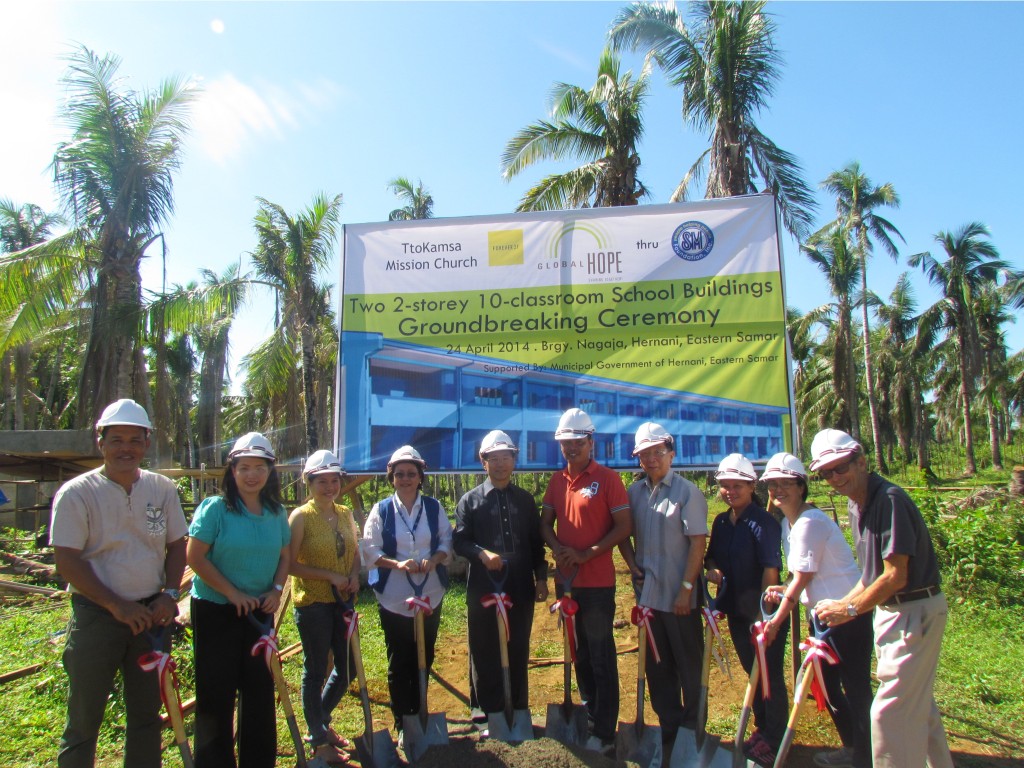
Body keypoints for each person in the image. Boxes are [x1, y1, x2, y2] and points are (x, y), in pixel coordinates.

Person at [50, 399, 187, 768]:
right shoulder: (78, 493)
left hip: (150, 617)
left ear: (146, 443)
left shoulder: (161, 489)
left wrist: (169, 595)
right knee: (84, 717)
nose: (126, 448)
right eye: (117, 439)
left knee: (146, 716)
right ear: (101, 442)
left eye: (134, 440)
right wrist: (115, 605)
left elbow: (177, 545)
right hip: (98, 616)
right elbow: (67, 560)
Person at [810, 430, 953, 768]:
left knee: (888, 714)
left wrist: (849, 608)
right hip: (893, 611)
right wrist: (843, 603)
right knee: (918, 708)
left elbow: (895, 576)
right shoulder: (857, 502)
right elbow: (871, 575)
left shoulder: (889, 499)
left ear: (861, 462)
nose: (834, 478)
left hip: (912, 610)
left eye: (840, 468)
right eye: (825, 473)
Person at [758, 453, 872, 768]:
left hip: (848, 615)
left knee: (856, 688)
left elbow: (804, 578)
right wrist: (784, 588)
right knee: (830, 687)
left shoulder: (810, 522)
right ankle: (853, 749)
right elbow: (799, 577)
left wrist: (776, 621)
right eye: (772, 484)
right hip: (821, 617)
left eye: (786, 484)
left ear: (800, 486)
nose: (778, 490)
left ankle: (868, 756)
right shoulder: (788, 524)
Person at [186, 432, 290, 768]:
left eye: (259, 467)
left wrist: (275, 590)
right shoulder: (216, 509)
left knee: (259, 692)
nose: (252, 475)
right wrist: (232, 593)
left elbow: (285, 556)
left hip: (260, 612)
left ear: (269, 472)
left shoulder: (276, 512)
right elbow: (195, 557)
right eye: (244, 467)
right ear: (233, 471)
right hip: (216, 609)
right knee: (216, 695)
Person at [540, 407, 631, 755]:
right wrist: (559, 547)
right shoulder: (556, 481)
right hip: (567, 583)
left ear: (590, 442)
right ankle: (591, 714)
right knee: (578, 654)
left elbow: (624, 528)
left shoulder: (607, 479)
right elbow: (545, 524)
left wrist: (586, 553)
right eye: (565, 443)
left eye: (577, 442)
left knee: (601, 654)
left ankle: (606, 730)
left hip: (597, 585)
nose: (571, 449)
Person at [453, 430, 549, 727]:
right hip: (484, 585)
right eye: (493, 459)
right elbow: (460, 542)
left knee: (517, 643)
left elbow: (535, 544)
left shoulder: (525, 500)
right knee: (484, 647)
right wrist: (482, 554)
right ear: (484, 463)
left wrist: (542, 578)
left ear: (514, 461)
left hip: (520, 584)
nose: (500, 464)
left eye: (506, 457)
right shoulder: (469, 501)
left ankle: (517, 706)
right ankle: (486, 710)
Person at [619, 422, 708, 744]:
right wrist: (631, 565)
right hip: (649, 599)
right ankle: (669, 728)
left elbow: (698, 543)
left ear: (671, 454)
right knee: (657, 668)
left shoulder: (688, 493)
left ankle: (692, 731)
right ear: (638, 459)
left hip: (679, 601)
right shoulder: (633, 493)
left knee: (689, 666)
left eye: (658, 452)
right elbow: (621, 533)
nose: (652, 459)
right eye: (645, 454)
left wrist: (686, 590)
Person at [360, 445, 452, 746]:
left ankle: (421, 712)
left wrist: (435, 559)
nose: (405, 479)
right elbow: (370, 549)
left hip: (430, 593)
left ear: (420, 477)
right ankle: (403, 721)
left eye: (411, 474)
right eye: (399, 474)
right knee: (399, 659)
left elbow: (446, 543)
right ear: (392, 477)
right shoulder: (382, 509)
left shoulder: (434, 508)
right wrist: (396, 563)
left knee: (425, 655)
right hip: (395, 597)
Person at [704, 453, 788, 767]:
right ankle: (762, 727)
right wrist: (713, 571)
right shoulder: (722, 521)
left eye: (737, 485)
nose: (730, 491)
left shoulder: (764, 522)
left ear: (752, 485)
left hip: (762, 616)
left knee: (770, 676)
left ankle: (776, 736)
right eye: (725, 486)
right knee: (751, 672)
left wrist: (766, 616)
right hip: (736, 611)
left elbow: (771, 569)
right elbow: (711, 558)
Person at [288, 450, 361, 765]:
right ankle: (319, 740)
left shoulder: (345, 513)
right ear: (309, 482)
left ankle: (319, 721)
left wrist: (355, 575)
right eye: (322, 481)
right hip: (314, 603)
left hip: (343, 601)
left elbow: (356, 551)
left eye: (334, 480)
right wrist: (329, 575)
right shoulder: (301, 517)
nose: (329, 486)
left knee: (348, 668)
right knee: (316, 670)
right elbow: (290, 564)